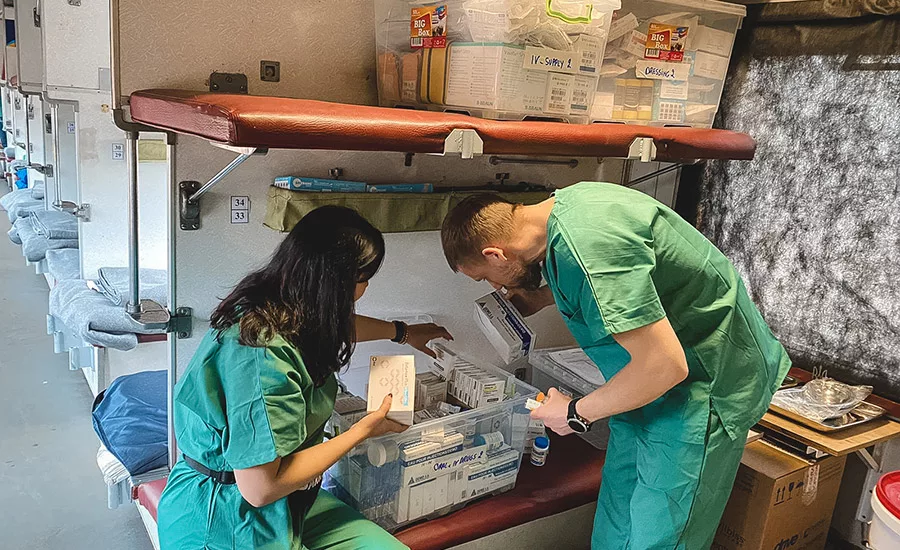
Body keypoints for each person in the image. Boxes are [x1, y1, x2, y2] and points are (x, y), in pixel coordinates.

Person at [440, 182, 791, 549]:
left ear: (496, 254)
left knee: (660, 534)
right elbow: (617, 279)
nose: (494, 286)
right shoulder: (564, 211)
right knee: (617, 517)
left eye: (485, 277)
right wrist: (544, 297)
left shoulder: (591, 246)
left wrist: (574, 413)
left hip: (701, 389)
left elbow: (665, 366)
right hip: (641, 391)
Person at [158, 206, 451, 550]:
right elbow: (259, 489)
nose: (365, 287)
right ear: (332, 282)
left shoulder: (278, 300)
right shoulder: (262, 357)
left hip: (289, 501)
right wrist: (362, 431)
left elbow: (328, 325)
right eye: (362, 279)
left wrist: (402, 332)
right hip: (225, 516)